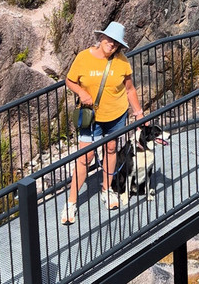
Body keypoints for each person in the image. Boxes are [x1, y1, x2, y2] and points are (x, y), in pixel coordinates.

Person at [61, 21, 143, 225]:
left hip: (116, 115)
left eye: (117, 42)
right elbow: (69, 80)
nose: (112, 44)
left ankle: (107, 190)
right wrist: (81, 92)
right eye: (109, 39)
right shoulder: (83, 57)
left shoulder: (122, 61)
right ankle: (71, 202)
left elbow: (130, 89)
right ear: (101, 38)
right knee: (85, 157)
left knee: (112, 148)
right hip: (91, 117)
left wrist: (139, 114)